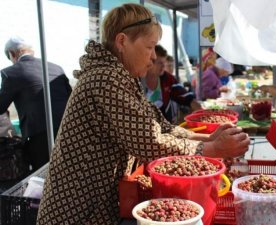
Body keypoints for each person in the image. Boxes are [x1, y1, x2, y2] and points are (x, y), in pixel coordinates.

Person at [37, 4, 250, 225]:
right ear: (122, 42)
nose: (153, 57)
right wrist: (213, 149)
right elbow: (149, 142)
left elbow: (158, 124)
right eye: (150, 47)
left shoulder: (121, 78)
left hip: (99, 204)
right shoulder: (104, 79)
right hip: (78, 210)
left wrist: (208, 138)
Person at [0, 36, 72, 171]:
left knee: (42, 178)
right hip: (68, 131)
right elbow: (70, 98)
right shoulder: (56, 68)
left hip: (39, 138)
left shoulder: (11, 73)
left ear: (12, 53)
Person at [144, 45, 202, 124]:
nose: (163, 66)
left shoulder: (168, 79)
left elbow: (186, 97)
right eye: (160, 63)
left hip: (166, 127)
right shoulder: (138, 79)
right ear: (150, 62)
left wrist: (200, 113)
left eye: (164, 62)